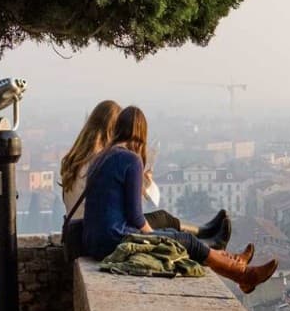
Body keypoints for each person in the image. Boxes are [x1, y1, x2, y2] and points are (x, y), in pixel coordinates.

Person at [82, 107, 277, 293]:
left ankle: (235, 263)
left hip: (94, 240)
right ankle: (243, 275)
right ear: (141, 132)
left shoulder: (101, 157)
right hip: (112, 241)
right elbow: (135, 216)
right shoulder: (130, 159)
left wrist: (163, 234)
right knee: (184, 240)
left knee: (172, 233)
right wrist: (158, 238)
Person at [60, 100, 230, 248]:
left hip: (83, 229)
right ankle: (206, 237)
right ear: (112, 128)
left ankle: (205, 232)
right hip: (95, 230)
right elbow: (130, 209)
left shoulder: (73, 159)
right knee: (163, 223)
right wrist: (141, 182)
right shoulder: (102, 159)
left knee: (163, 219)